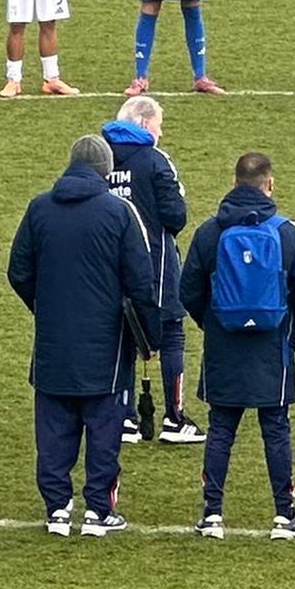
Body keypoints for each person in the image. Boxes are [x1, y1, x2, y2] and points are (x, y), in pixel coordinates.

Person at [11, 131, 155, 535]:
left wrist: (44, 306)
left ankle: (57, 508)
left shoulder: (39, 209)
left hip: (54, 339)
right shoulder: (120, 214)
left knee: (54, 426)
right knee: (104, 425)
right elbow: (140, 282)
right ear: (106, 171)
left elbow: (18, 271)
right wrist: (149, 336)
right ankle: (98, 509)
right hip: (106, 341)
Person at [182, 151, 295, 538]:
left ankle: (212, 514)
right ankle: (284, 515)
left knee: (221, 429)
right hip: (272, 346)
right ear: (270, 184)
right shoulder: (289, 233)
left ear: (234, 183)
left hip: (223, 345)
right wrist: (291, 336)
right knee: (275, 428)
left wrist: (213, 323)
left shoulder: (209, 232)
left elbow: (188, 290)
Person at [106, 94, 198, 445]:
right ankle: (175, 418)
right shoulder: (156, 161)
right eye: (159, 124)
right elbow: (176, 216)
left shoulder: (101, 156)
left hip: (111, 264)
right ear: (144, 124)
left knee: (123, 337)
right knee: (172, 331)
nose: (161, 132)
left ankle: (124, 417)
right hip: (156, 260)